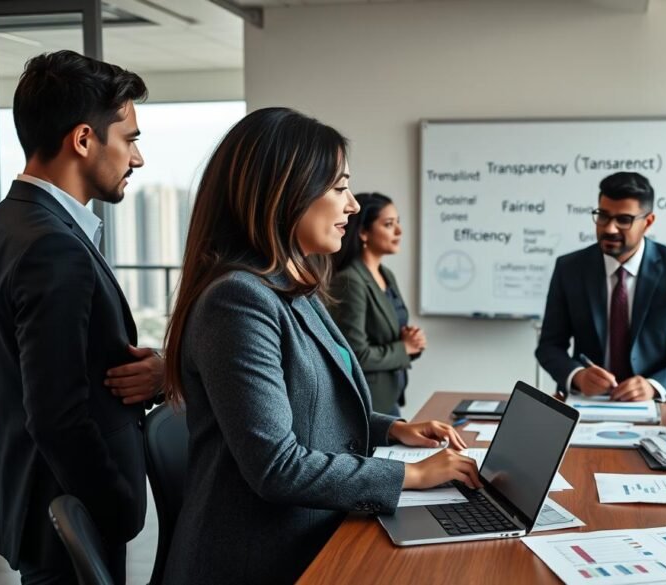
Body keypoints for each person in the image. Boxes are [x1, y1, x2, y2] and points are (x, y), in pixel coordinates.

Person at [162, 108, 482, 584]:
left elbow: (308, 410)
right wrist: (412, 476)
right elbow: (276, 464)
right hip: (257, 559)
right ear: (284, 193)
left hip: (305, 536)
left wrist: (392, 431)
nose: (352, 206)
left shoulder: (291, 285)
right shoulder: (238, 299)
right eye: (339, 188)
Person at [0, 50, 164, 584]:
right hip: (69, 508)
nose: (137, 159)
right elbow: (56, 412)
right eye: (131, 139)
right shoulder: (53, 246)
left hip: (36, 497)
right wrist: (116, 506)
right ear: (82, 140)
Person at [535, 171, 666, 402]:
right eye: (603, 216)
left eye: (623, 219)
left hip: (658, 403)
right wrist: (578, 376)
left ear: (648, 222)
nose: (609, 228)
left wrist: (653, 385)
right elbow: (549, 346)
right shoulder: (570, 268)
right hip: (588, 402)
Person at [330, 192, 424, 416]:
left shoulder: (386, 274)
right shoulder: (350, 280)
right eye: (389, 224)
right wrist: (404, 348)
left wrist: (412, 341)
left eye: (398, 223)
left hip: (391, 396)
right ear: (363, 232)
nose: (399, 232)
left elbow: (390, 331)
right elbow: (355, 354)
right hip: (369, 403)